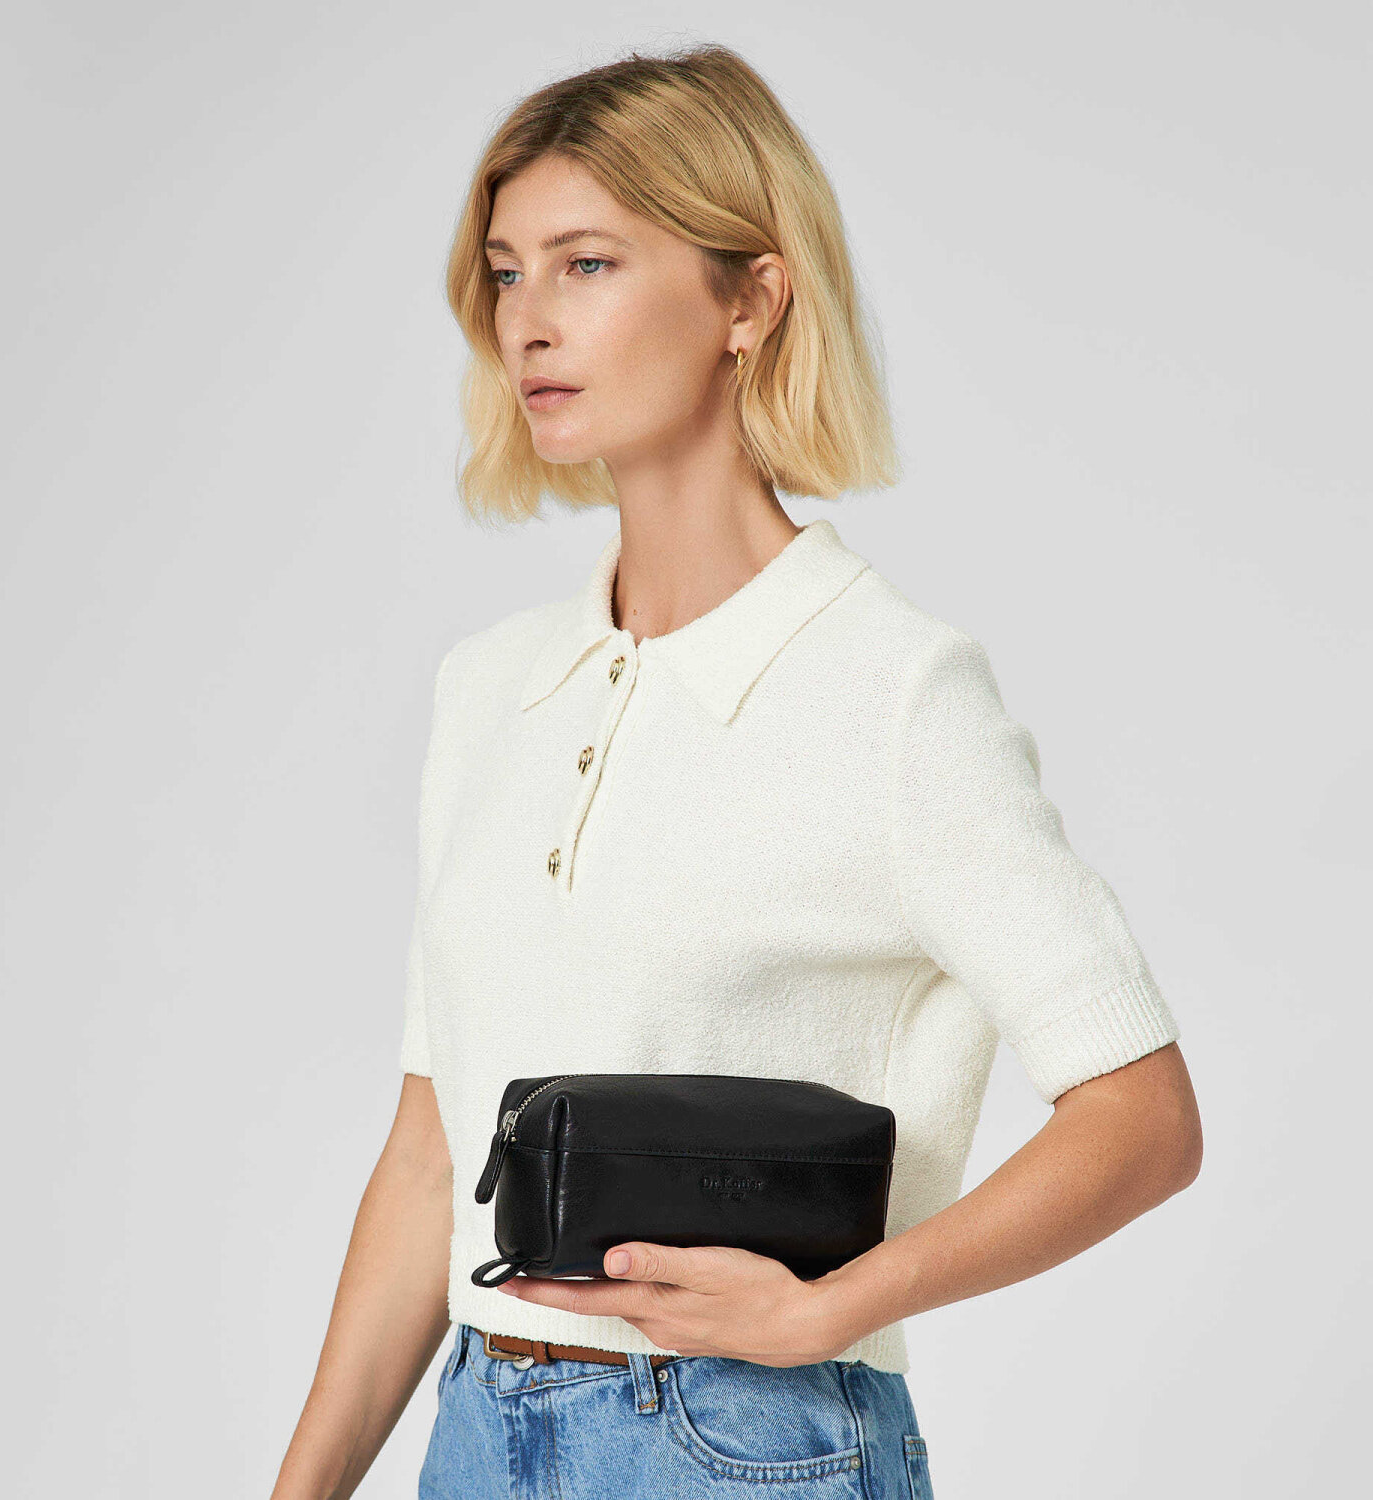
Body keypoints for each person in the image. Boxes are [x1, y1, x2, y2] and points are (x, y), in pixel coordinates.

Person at [270, 43, 1203, 1500]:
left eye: (587, 264)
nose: (528, 322)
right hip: (477, 1432)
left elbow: (1142, 1116)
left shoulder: (893, 692)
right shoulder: (491, 690)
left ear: (751, 301)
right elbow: (429, 1158)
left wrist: (836, 1310)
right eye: (506, 274)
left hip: (744, 1443)